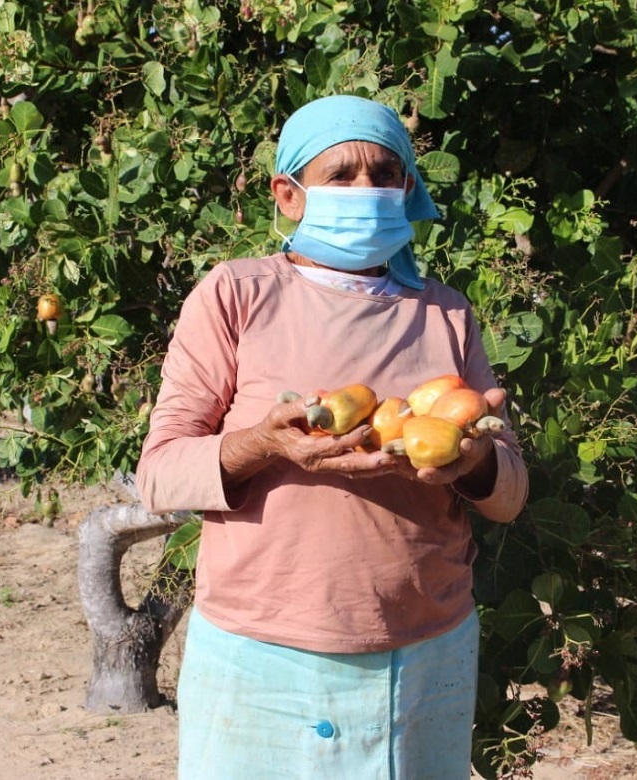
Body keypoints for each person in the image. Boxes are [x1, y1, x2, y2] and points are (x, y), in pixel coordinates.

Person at [135, 94, 529, 780]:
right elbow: (162, 473)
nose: (366, 190)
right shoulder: (236, 295)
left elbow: (510, 496)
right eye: (341, 176)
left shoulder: (446, 313)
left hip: (424, 648)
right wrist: (263, 443)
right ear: (288, 196)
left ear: (408, 189)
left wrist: (472, 462)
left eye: (384, 174)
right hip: (263, 652)